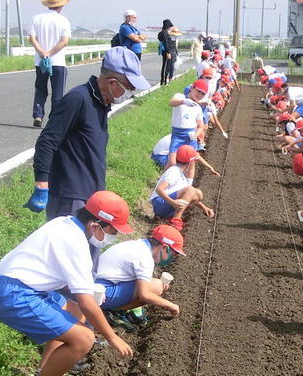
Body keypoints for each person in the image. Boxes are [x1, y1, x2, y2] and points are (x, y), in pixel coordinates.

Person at [0, 191, 135, 376]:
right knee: (84, 338)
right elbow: (87, 301)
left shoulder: (64, 223)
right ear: (96, 224)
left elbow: (78, 296)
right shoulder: (75, 243)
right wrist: (112, 336)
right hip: (14, 294)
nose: (113, 236)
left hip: (14, 285)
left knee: (73, 309)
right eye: (113, 231)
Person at [24, 46, 150, 220]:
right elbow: (47, 141)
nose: (130, 93)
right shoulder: (78, 99)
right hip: (70, 198)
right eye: (129, 87)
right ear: (112, 82)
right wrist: (41, 185)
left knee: (89, 247)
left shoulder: (101, 104)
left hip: (92, 196)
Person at [96, 224, 185, 322]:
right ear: (164, 248)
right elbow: (145, 295)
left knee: (153, 283)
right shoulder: (145, 258)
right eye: (173, 254)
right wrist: (170, 305)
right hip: (101, 294)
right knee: (157, 287)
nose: (172, 258)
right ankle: (116, 311)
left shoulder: (139, 245)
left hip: (96, 284)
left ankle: (117, 308)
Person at [149, 145, 215, 230]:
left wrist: (204, 208)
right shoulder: (174, 171)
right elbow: (159, 189)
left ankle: (172, 217)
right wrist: (172, 202)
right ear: (190, 162)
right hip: (159, 203)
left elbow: (188, 196)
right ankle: (175, 220)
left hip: (166, 204)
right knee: (190, 190)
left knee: (198, 194)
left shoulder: (181, 174)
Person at [28, 0, 71, 128]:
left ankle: (37, 115)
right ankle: (54, 120)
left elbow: (32, 38)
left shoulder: (37, 18)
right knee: (57, 93)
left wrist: (42, 52)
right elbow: (64, 41)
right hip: (58, 62)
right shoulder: (63, 20)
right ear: (61, 5)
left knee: (41, 89)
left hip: (40, 61)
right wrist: (50, 52)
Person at [165, 79, 208, 168]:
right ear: (192, 88)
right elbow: (171, 103)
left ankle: (188, 182)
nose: (199, 95)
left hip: (190, 136)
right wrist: (183, 101)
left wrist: (195, 135)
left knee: (190, 164)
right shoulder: (180, 97)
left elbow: (201, 126)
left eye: (203, 94)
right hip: (177, 135)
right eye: (198, 91)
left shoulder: (198, 108)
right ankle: (162, 180)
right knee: (172, 162)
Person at [150, 133, 219, 174]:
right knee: (184, 163)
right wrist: (210, 168)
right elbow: (197, 156)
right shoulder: (184, 142)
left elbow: (197, 156)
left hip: (156, 154)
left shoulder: (181, 136)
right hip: (160, 157)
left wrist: (210, 167)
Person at [158, 19, 177, 85]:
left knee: (165, 66)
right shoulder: (164, 33)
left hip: (165, 51)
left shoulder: (162, 32)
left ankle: (163, 81)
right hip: (167, 51)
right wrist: (168, 52)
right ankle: (164, 81)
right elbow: (166, 43)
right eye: (170, 25)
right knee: (166, 66)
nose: (171, 27)